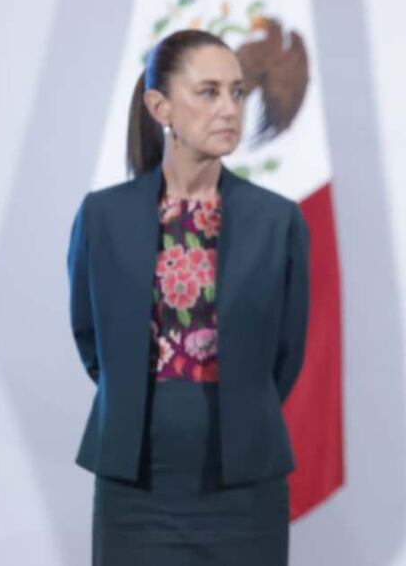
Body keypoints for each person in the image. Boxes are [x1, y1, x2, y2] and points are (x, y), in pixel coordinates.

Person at [67, 29, 309, 564]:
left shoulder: (278, 220)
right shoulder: (104, 216)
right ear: (160, 106)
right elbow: (92, 340)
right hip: (135, 484)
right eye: (208, 92)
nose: (229, 109)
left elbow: (286, 354)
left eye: (238, 92)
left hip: (244, 483)